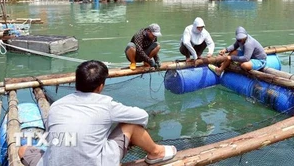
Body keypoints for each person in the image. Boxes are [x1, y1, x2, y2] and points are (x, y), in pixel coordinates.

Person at [18, 60, 176, 166]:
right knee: (130, 126)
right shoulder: (106, 105)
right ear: (101, 86)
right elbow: (142, 116)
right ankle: (157, 152)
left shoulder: (57, 106)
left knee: (23, 150)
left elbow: (52, 133)